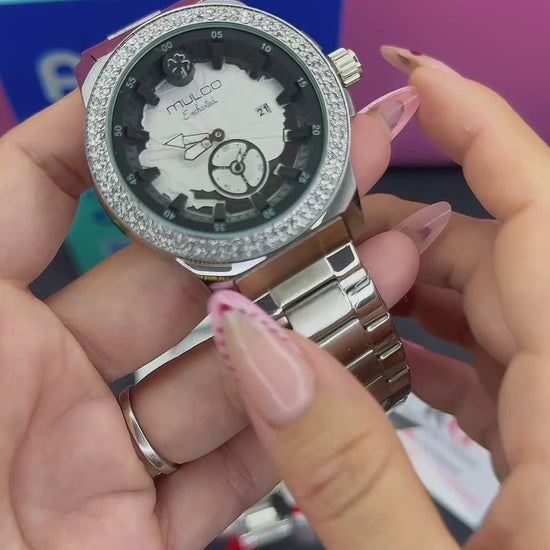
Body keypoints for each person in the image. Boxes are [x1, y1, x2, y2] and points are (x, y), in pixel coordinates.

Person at [0, 45, 548, 550]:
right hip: (229, 239)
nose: (215, 137)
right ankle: (360, 383)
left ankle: (361, 381)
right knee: (383, 262)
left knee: (380, 259)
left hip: (310, 209)